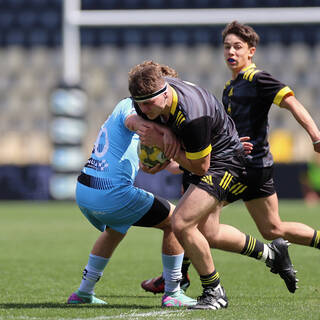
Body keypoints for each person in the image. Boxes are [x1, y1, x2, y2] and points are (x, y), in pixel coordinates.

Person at [128, 61, 297, 311]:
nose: (143, 109)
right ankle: (272, 254)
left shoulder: (193, 116)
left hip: (224, 161)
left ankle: (214, 292)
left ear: (165, 93)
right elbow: (131, 118)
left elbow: (200, 168)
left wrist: (164, 145)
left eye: (148, 104)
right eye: (139, 103)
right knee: (210, 233)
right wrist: (158, 131)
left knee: (182, 222)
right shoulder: (149, 98)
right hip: (202, 151)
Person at [66, 81, 197, 307]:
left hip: (85, 189)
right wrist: (168, 133)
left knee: (116, 229)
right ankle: (173, 292)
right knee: (176, 221)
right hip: (111, 194)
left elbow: (171, 166)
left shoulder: (145, 117)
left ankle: (83, 292)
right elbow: (134, 122)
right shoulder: (133, 108)